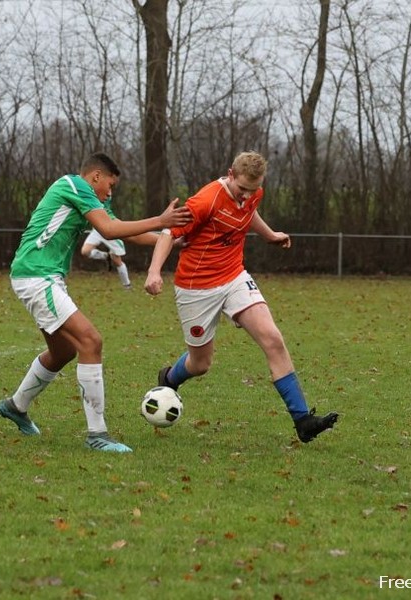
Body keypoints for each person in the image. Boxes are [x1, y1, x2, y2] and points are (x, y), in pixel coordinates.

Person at [0, 152, 192, 453]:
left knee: (62, 352)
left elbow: (120, 230)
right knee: (91, 341)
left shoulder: (91, 198)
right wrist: (161, 220)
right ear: (96, 176)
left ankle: (15, 406)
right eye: (110, 186)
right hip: (36, 275)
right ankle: (97, 434)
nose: (110, 193)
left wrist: (169, 241)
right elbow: (109, 230)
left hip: (44, 277)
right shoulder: (73, 185)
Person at [143, 150, 339, 444]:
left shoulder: (253, 193)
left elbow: (249, 213)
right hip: (196, 287)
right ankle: (170, 378)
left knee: (273, 339)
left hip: (234, 276)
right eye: (242, 189)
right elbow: (169, 233)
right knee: (200, 364)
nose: (247, 195)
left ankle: (303, 420)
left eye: (253, 189)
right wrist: (154, 271)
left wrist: (270, 235)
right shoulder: (206, 200)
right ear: (230, 175)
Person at [81, 219, 133, 290]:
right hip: (97, 231)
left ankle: (127, 285)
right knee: (85, 251)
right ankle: (107, 256)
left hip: (109, 230)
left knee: (117, 261)